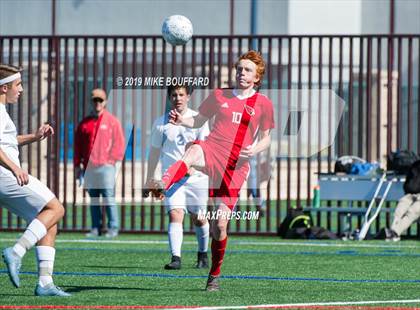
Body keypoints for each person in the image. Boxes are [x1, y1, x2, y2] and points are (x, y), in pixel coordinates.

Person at [149, 51, 275, 291]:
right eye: (239, 68)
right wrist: (181, 121)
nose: (241, 73)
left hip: (236, 166)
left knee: (219, 225)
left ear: (257, 76)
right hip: (213, 149)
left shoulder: (264, 104)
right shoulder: (219, 95)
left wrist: (254, 148)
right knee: (193, 151)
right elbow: (197, 121)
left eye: (247, 70)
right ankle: (164, 183)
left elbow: (267, 138)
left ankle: (214, 274)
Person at [0, 64, 70, 296]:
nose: (20, 90)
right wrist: (14, 168)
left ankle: (45, 283)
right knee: (56, 208)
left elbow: (8, 142)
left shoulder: (3, 111)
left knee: (48, 219)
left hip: (6, 175)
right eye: (17, 85)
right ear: (3, 88)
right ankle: (16, 252)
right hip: (5, 175)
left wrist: (35, 136)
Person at [144, 84, 210, 270]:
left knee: (199, 218)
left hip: (196, 177)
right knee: (176, 214)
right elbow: (154, 153)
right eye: (174, 95)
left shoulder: (198, 119)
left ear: (188, 96)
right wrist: (150, 178)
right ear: (169, 98)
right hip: (172, 180)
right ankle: (176, 258)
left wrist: (193, 165)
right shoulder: (160, 123)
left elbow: (205, 147)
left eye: (181, 94)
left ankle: (203, 254)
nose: (178, 98)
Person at [74, 88, 125, 238]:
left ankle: (113, 228)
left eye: (100, 100)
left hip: (106, 166)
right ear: (92, 101)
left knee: (108, 196)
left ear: (105, 102)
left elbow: (119, 143)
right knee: (94, 199)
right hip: (89, 168)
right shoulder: (85, 123)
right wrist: (78, 165)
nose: (98, 103)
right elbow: (78, 146)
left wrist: (111, 160)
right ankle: (95, 228)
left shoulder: (112, 122)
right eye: (95, 100)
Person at [386, 160, 420, 241]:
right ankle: (392, 233)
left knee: (413, 211)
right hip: (410, 195)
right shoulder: (415, 165)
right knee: (399, 210)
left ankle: (395, 232)